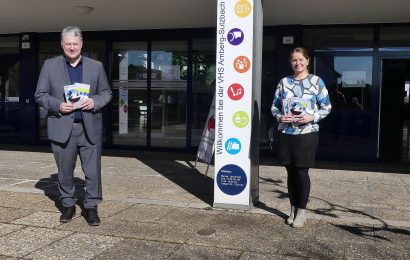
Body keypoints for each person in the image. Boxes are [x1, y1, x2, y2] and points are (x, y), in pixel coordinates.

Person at [34, 26, 112, 226]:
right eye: (67, 44)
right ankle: (67, 205)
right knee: (65, 171)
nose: (71, 47)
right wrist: (57, 105)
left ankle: (91, 207)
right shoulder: (50, 66)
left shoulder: (96, 66)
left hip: (89, 128)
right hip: (62, 127)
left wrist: (95, 101)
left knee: (93, 171)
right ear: (62, 44)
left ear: (81, 44)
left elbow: (106, 93)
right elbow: (40, 94)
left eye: (75, 44)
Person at [271, 47, 331, 228]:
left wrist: (312, 116)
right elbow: (274, 106)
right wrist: (280, 117)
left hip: (307, 133)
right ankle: (292, 208)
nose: (297, 63)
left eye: (300, 59)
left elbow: (326, 107)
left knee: (301, 172)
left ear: (307, 60)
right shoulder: (284, 82)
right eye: (294, 60)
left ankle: (301, 212)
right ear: (290, 62)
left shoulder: (316, 81)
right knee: (290, 172)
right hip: (286, 133)